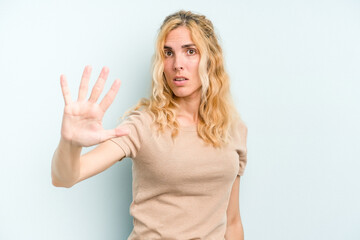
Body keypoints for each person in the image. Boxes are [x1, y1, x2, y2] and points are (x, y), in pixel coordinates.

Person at [51, 10, 248, 240]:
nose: (177, 64)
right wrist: (70, 143)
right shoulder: (143, 126)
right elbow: (64, 178)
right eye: (168, 53)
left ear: (211, 59)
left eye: (190, 51)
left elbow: (232, 223)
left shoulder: (234, 130)